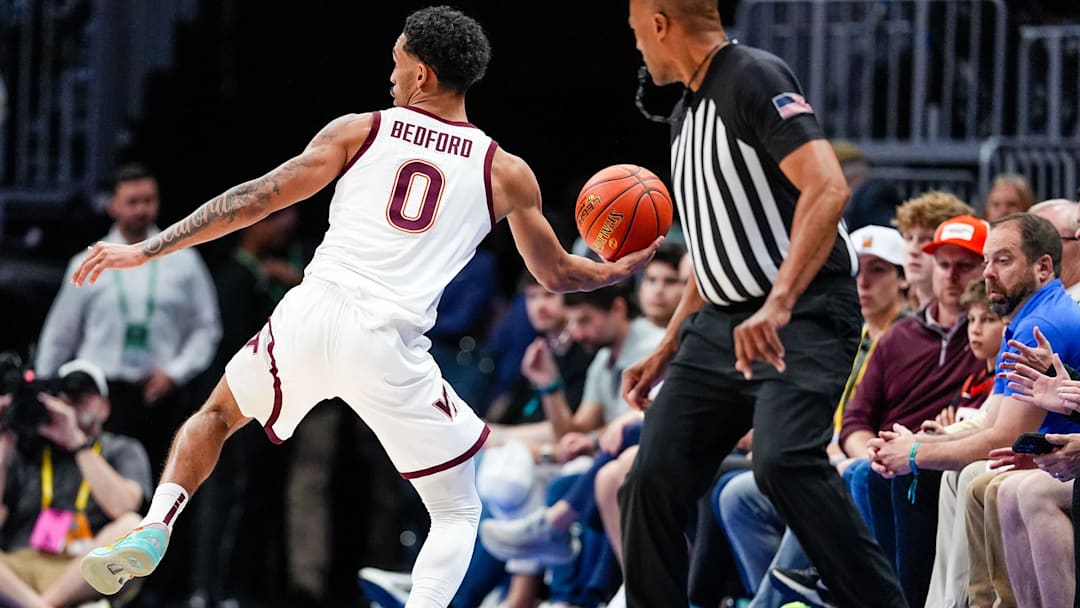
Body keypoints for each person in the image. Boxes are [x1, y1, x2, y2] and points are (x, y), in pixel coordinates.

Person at [72, 7, 659, 607]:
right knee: (457, 508)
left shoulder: (361, 130)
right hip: (386, 342)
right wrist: (614, 270)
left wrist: (148, 247)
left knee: (218, 417)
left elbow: (255, 200)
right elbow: (557, 273)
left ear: (424, 76)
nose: (391, 77)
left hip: (311, 311)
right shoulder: (506, 172)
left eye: (398, 64)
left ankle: (156, 523)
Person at [618, 1, 906, 607]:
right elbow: (717, 249)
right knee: (648, 481)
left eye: (637, 28)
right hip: (720, 325)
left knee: (782, 462)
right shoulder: (684, 119)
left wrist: (777, 304)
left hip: (800, 314)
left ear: (661, 22)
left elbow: (828, 187)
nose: (637, 45)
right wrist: (669, 345)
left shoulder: (752, 75)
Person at [35, 163, 222, 477]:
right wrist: (44, 388)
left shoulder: (184, 261)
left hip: (160, 394)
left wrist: (176, 372)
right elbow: (60, 333)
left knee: (165, 486)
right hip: (100, 394)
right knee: (95, 485)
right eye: (132, 202)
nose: (141, 210)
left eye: (148, 201)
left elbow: (207, 328)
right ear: (113, 205)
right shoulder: (85, 262)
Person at [0, 360, 152, 608]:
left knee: (133, 527)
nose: (72, 403)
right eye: (65, 396)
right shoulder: (28, 447)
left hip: (81, 570)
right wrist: (4, 438)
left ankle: (40, 604)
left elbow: (123, 507)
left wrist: (77, 443)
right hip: (19, 569)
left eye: (84, 396)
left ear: (104, 408)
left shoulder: (122, 449)